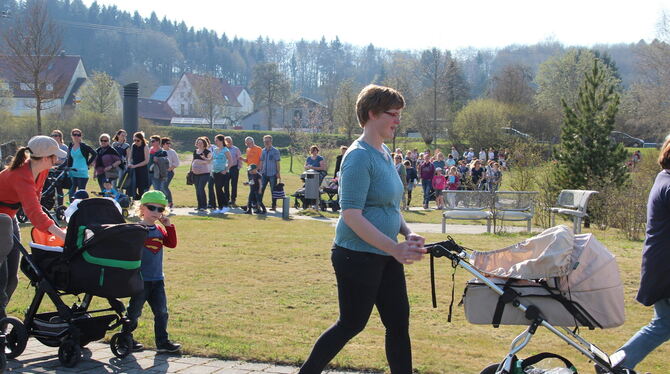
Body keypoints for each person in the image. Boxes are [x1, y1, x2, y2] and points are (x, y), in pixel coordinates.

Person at [299, 84, 426, 374]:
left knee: (397, 323)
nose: (398, 120)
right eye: (393, 114)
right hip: (356, 256)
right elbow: (351, 215)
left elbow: (390, 207)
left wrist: (407, 233)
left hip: (385, 254)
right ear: (372, 113)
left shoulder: (382, 153)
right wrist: (394, 247)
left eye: (399, 115)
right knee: (352, 324)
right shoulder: (358, 156)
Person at [614, 138, 670, 370]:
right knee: (664, 323)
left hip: (661, 265)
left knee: (665, 323)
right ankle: (616, 365)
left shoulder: (663, 178)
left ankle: (616, 364)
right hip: (666, 267)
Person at [0, 136, 67, 315]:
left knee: (12, 278)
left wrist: (51, 227)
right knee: (2, 275)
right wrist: (62, 235)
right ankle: (1, 321)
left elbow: (35, 202)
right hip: (2, 218)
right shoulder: (20, 175)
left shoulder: (41, 171)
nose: (58, 159)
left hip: (8, 216)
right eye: (55, 156)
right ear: (45, 158)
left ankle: (1, 314)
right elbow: (34, 214)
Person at [127, 190, 181, 354]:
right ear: (142, 208)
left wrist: (168, 225)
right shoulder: (135, 229)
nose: (156, 213)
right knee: (134, 312)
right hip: (140, 280)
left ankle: (163, 342)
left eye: (160, 209)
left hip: (157, 279)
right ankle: (125, 338)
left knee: (162, 312)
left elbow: (171, 244)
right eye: (152, 208)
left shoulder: (159, 230)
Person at [66, 128, 96, 202]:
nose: (76, 136)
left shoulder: (83, 146)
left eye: (78, 135)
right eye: (74, 134)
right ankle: (72, 206)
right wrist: (67, 167)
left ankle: (82, 207)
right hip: (73, 171)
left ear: (81, 136)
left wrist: (88, 164)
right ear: (72, 136)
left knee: (81, 192)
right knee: (72, 191)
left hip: (82, 172)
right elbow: (69, 158)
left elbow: (94, 153)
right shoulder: (71, 146)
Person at [259, 135, 281, 211]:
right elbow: (261, 161)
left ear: (271, 141)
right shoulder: (263, 151)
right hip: (264, 174)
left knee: (273, 191)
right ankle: (259, 205)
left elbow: (277, 162)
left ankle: (274, 206)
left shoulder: (275, 151)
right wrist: (260, 171)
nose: (266, 143)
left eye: (268, 141)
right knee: (261, 189)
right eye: (265, 141)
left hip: (273, 174)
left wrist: (278, 172)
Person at [211, 134, 233, 213]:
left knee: (219, 189)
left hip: (223, 172)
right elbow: (211, 159)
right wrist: (203, 158)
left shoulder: (225, 150)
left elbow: (231, 161)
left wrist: (226, 169)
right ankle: (220, 207)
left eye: (216, 140)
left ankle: (225, 205)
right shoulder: (215, 149)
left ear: (221, 141)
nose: (215, 142)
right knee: (217, 189)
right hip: (215, 172)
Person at [127, 132, 150, 199]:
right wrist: (129, 163)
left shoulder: (145, 147)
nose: (136, 142)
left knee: (142, 189)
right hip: (134, 170)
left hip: (142, 170)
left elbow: (146, 161)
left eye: (138, 140)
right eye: (134, 140)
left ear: (142, 140)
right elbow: (130, 157)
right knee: (132, 188)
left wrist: (135, 166)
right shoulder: (133, 145)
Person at [191, 137, 212, 211]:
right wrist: (191, 169)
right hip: (195, 173)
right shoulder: (195, 151)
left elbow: (210, 161)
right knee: (197, 189)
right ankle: (199, 205)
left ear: (204, 144)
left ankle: (204, 205)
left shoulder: (207, 152)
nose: (199, 144)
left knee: (200, 188)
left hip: (204, 173)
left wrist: (202, 160)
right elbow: (193, 161)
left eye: (201, 143)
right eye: (198, 142)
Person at [50, 130, 69, 206]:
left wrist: (55, 162)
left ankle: (60, 205)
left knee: (59, 189)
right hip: (51, 170)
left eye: (56, 135)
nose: (54, 137)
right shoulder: (51, 147)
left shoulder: (64, 147)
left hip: (60, 170)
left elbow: (64, 160)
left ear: (60, 137)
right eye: (53, 135)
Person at [162, 138, 179, 208]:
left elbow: (176, 163)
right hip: (160, 172)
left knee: (164, 186)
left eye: (169, 143)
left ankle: (170, 201)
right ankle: (163, 201)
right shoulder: (160, 151)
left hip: (169, 172)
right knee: (160, 187)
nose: (169, 145)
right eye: (167, 143)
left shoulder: (172, 152)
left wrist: (170, 168)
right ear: (163, 144)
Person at [225, 136, 242, 206]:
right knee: (225, 185)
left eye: (229, 141)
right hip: (225, 169)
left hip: (234, 168)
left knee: (234, 185)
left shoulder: (236, 149)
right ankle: (226, 200)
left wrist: (238, 167)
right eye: (227, 141)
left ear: (232, 141)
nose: (228, 142)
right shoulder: (223, 149)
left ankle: (233, 200)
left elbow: (239, 159)